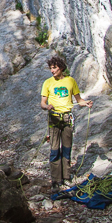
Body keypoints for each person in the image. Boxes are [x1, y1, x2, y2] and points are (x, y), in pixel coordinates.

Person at [40, 53, 92, 188]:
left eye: (55, 68)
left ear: (61, 68)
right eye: (51, 68)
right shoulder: (48, 83)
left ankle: (66, 177)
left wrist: (86, 103)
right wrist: (47, 106)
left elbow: (78, 100)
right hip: (54, 118)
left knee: (67, 148)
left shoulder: (70, 81)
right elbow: (42, 103)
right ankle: (56, 180)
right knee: (54, 149)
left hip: (67, 118)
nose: (52, 70)